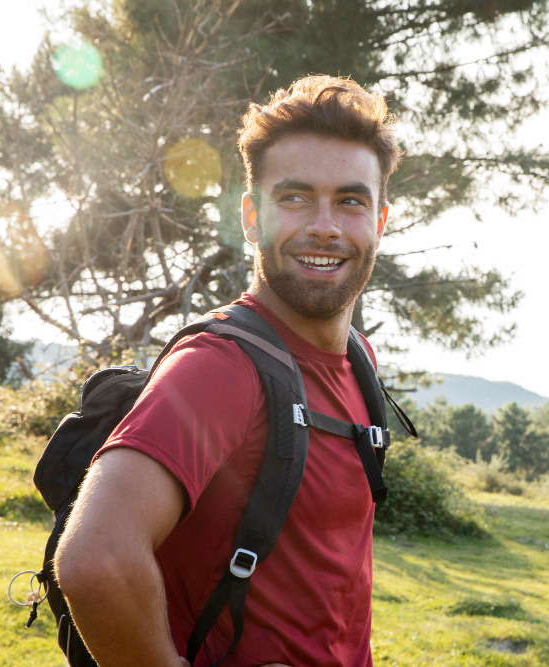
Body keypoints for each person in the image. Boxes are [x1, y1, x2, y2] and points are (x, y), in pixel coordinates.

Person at [54, 74, 403, 667]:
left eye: (351, 201)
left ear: (379, 220)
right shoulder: (219, 368)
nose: (325, 225)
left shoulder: (359, 359)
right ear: (250, 217)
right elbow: (97, 560)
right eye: (295, 198)